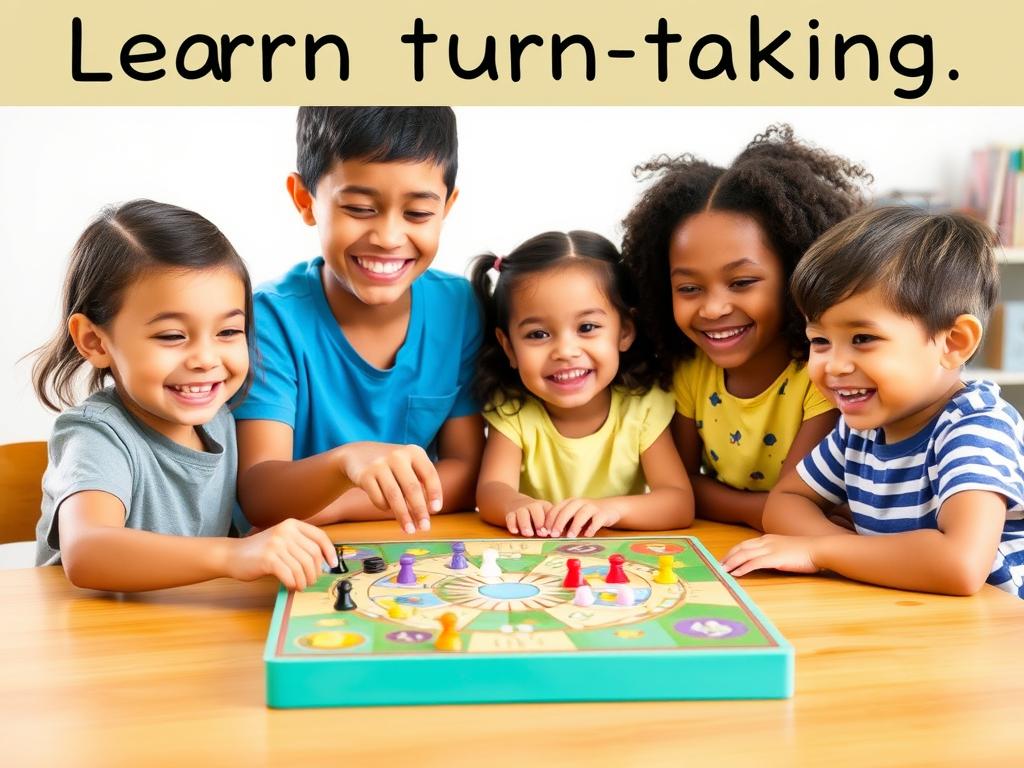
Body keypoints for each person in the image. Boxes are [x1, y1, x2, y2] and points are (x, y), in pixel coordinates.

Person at [32, 200, 338, 592]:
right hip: (90, 643)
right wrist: (232, 555)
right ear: (94, 340)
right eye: (173, 336)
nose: (206, 359)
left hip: (179, 632)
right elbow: (88, 550)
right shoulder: (95, 435)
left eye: (228, 332)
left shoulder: (220, 420)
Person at [723, 206, 1024, 599]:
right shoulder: (860, 429)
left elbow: (960, 565)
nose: (834, 365)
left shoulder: (975, 427)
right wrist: (846, 552)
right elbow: (784, 503)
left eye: (863, 338)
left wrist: (821, 550)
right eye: (820, 341)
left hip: (987, 639)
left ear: (953, 343)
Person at [234, 107, 483, 535]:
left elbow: (468, 474)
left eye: (418, 214)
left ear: (447, 206)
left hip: (407, 548)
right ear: (304, 199)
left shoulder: (459, 305)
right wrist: (345, 463)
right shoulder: (271, 320)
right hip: (293, 562)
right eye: (359, 208)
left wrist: (336, 506)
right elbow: (260, 493)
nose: (388, 237)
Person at [621, 124, 870, 531]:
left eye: (741, 283)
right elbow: (679, 488)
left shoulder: (822, 374)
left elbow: (797, 502)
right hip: (740, 545)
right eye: (689, 287)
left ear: (794, 276)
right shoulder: (691, 373)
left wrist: (761, 509)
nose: (715, 308)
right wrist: (760, 511)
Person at [472, 230, 694, 538]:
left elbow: (678, 502)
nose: (565, 351)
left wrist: (610, 510)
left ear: (625, 331)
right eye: (538, 334)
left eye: (587, 327)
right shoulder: (514, 409)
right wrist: (515, 505)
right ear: (509, 347)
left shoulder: (642, 407)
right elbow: (491, 490)